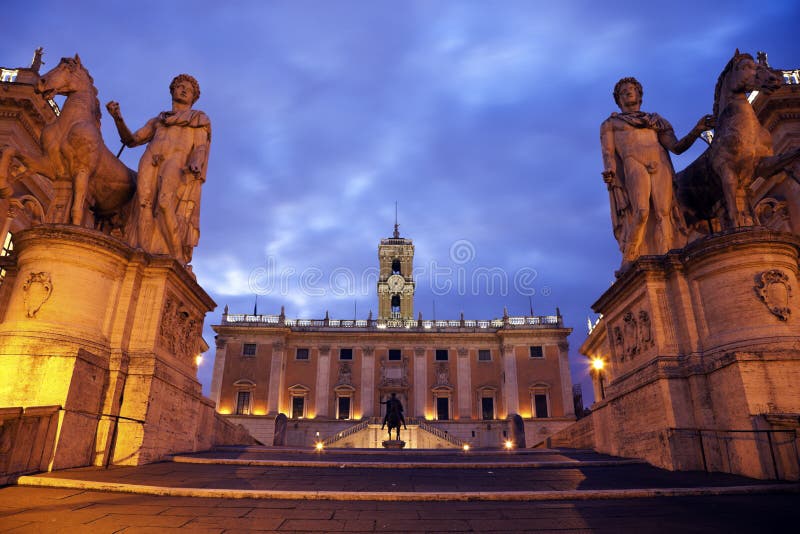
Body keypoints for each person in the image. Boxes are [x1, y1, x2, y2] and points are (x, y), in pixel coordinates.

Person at [600, 77, 713, 268]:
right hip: (633, 162)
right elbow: (608, 153)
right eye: (623, 92)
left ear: (639, 95)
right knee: (642, 211)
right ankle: (630, 255)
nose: (628, 93)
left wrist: (697, 130)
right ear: (618, 99)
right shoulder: (610, 124)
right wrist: (610, 171)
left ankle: (670, 256)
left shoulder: (655, 121)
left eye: (631, 89)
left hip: (660, 162)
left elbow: (676, 147)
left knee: (664, 212)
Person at [106, 74, 211, 264]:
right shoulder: (158, 120)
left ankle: (176, 255)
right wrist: (118, 118)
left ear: (194, 97)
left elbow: (201, 147)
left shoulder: (198, 118)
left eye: (189, 89)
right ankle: (141, 254)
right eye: (180, 86)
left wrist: (196, 162)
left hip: (177, 162)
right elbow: (131, 140)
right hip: (150, 158)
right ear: (172, 90)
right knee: (143, 204)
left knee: (164, 202)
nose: (184, 89)